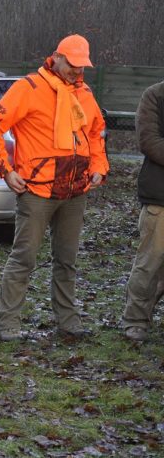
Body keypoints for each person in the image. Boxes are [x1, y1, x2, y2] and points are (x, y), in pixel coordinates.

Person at [0, 34, 109, 341]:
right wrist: (6, 170)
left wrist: (98, 168)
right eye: (73, 65)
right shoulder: (28, 88)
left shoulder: (85, 94)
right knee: (24, 258)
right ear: (57, 57)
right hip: (37, 191)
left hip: (75, 192)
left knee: (67, 261)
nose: (77, 72)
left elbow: (95, 134)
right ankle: (8, 323)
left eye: (82, 67)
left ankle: (68, 321)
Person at [120, 81, 164, 341]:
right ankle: (136, 320)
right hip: (160, 196)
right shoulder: (155, 95)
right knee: (149, 262)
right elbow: (149, 141)